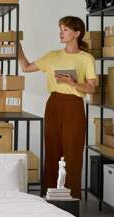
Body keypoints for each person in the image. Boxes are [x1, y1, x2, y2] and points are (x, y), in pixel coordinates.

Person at [18, 16, 97, 199]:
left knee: (73, 153)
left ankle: (72, 200)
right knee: (52, 151)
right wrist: (17, 47)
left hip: (75, 106)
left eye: (66, 30)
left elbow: (92, 88)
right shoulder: (53, 56)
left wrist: (74, 83)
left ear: (77, 33)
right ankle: (50, 199)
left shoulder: (86, 59)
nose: (61, 33)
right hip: (53, 104)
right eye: (60, 29)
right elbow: (26, 67)